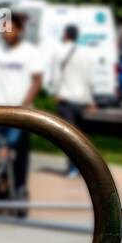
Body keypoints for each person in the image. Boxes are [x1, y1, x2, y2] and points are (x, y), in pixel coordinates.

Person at [0, 12, 43, 196]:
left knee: (19, 154)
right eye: (4, 28)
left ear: (20, 30)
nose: (7, 32)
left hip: (22, 114)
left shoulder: (31, 52)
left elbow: (37, 80)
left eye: (11, 28)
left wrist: (24, 104)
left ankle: (20, 186)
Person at [48, 24, 97, 176]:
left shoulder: (59, 51)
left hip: (66, 99)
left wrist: (54, 93)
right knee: (81, 136)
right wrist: (91, 101)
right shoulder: (85, 53)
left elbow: (55, 75)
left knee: (69, 136)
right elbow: (89, 78)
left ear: (65, 34)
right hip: (82, 100)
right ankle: (84, 167)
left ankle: (72, 168)